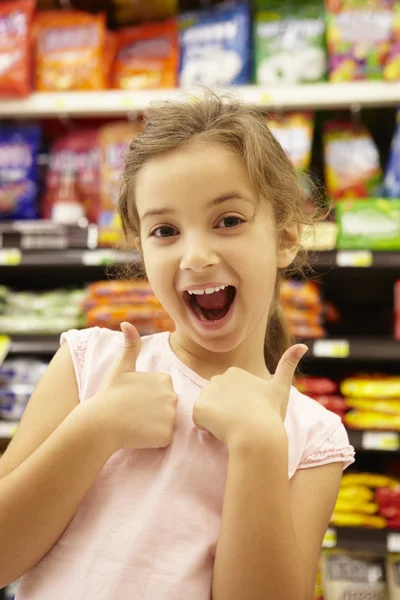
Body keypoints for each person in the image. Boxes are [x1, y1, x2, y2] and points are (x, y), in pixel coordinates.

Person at [0, 93, 354, 600]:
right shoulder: (87, 364)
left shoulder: (310, 436)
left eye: (228, 221)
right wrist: (95, 429)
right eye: (165, 230)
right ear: (140, 249)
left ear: (286, 237)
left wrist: (258, 445)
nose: (197, 255)